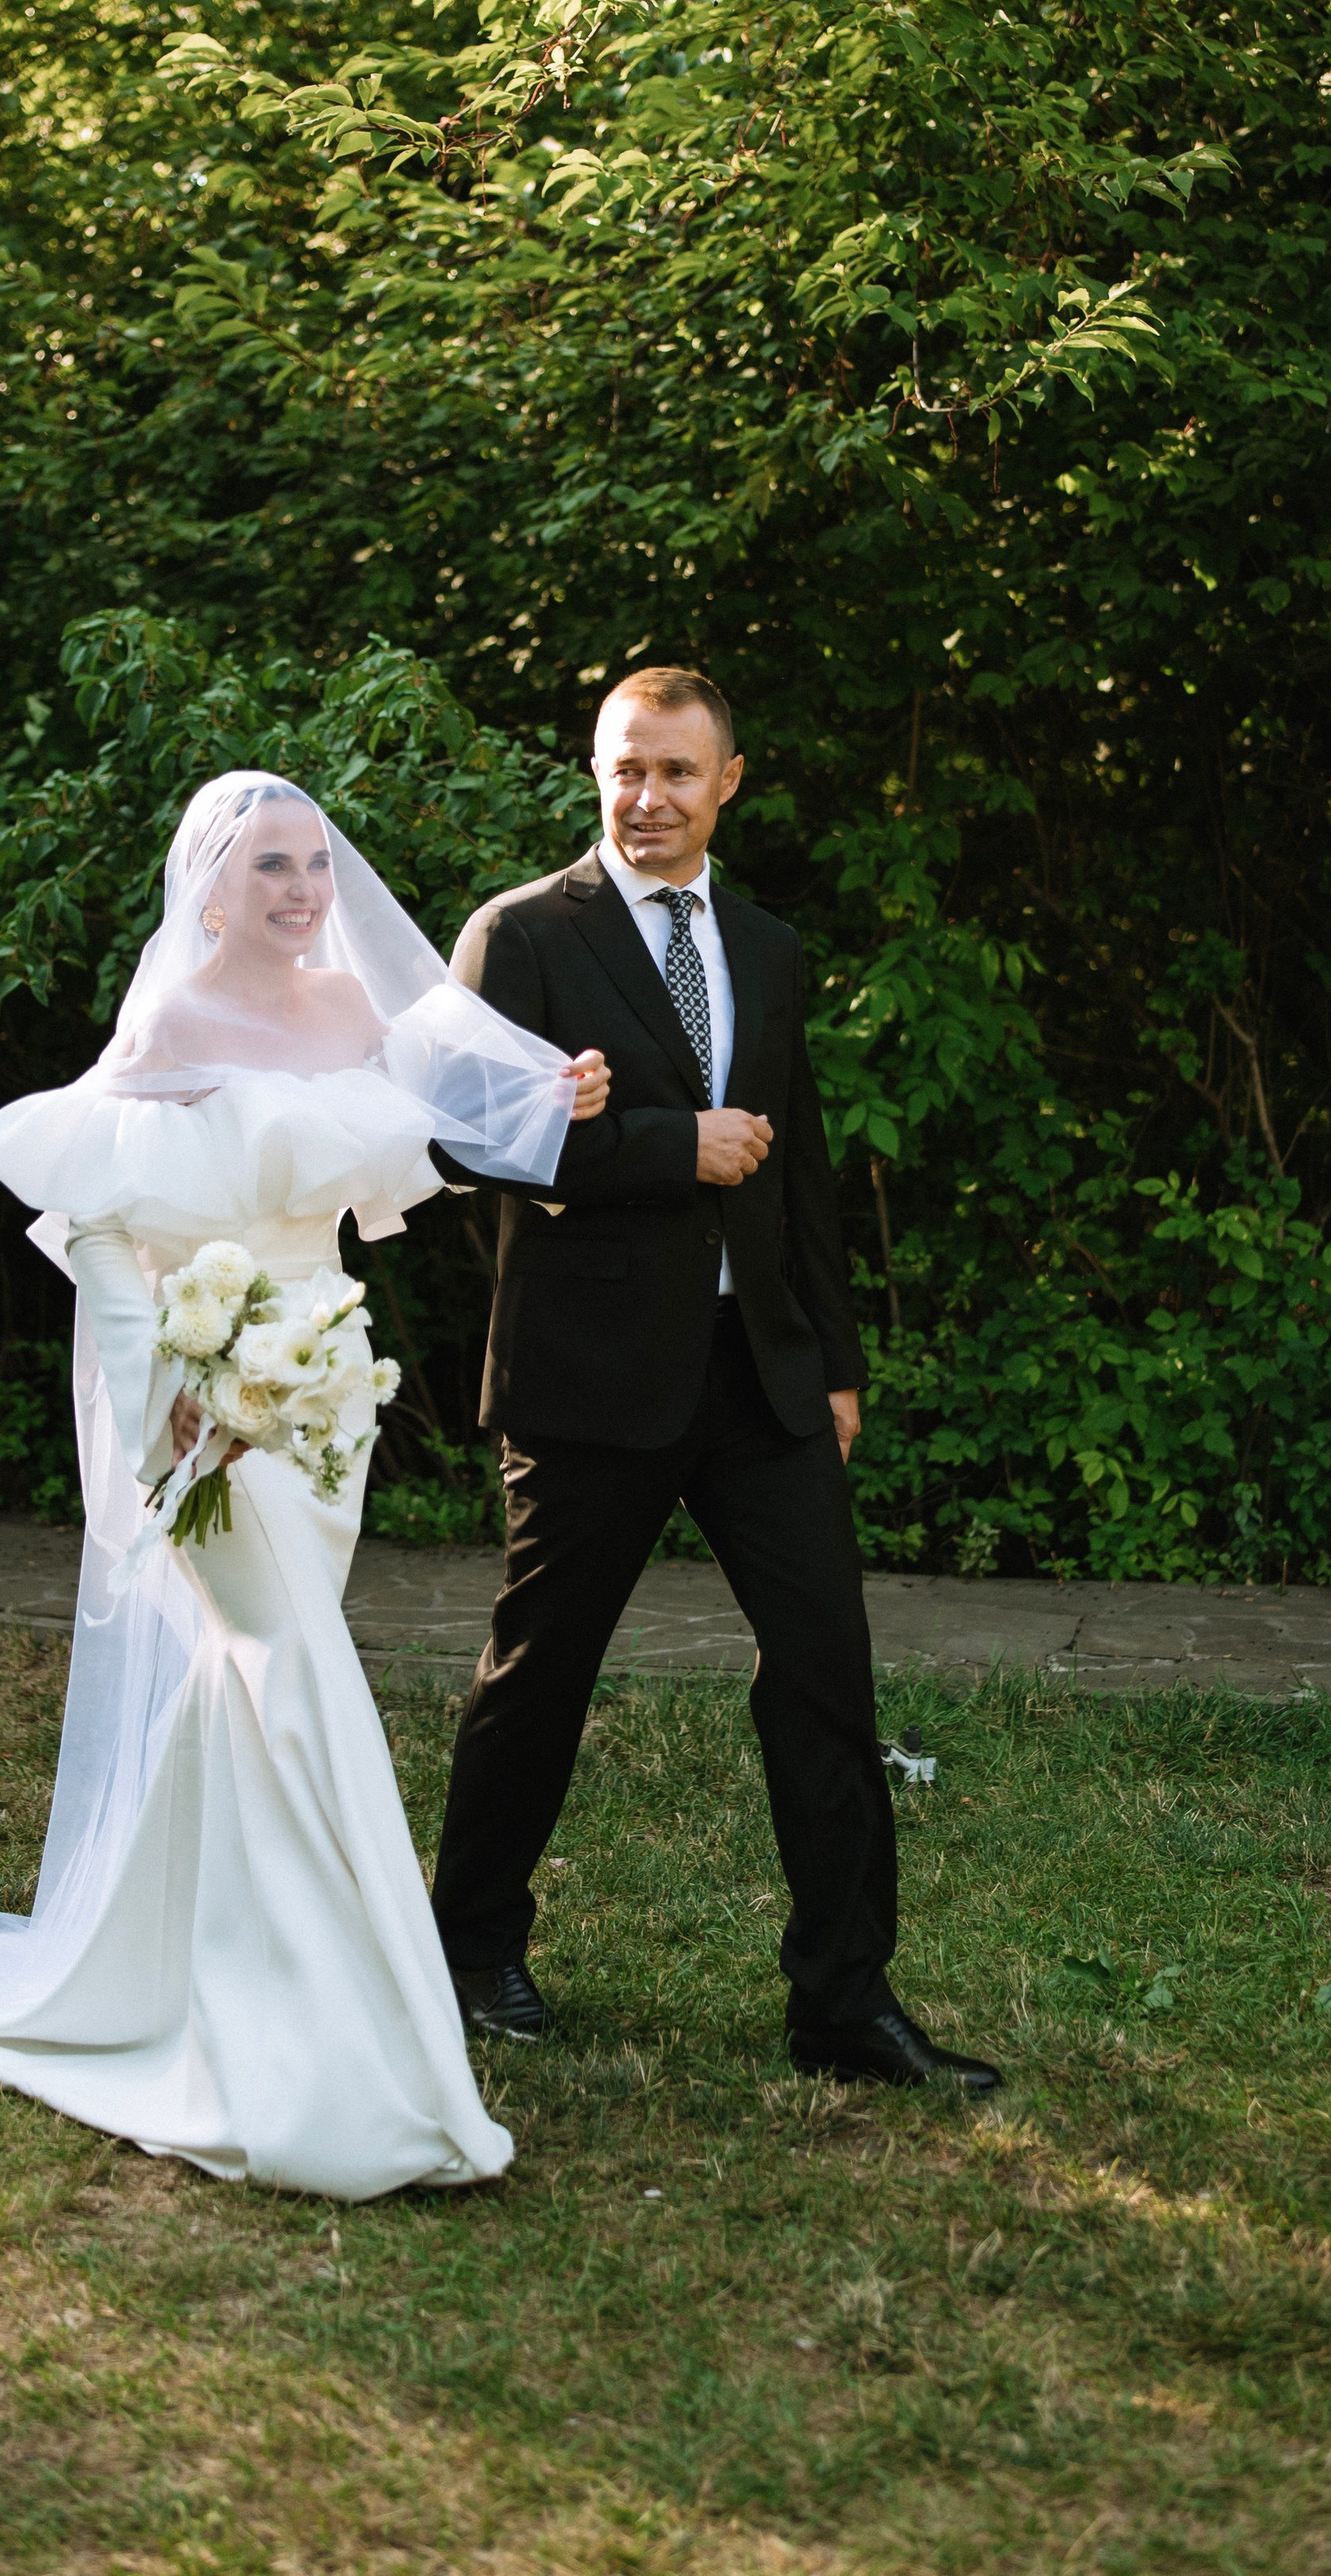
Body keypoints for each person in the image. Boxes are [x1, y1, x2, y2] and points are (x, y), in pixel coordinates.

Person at [0, 769, 610, 2200]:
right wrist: (167, 1394)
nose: (304, 890)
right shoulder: (173, 1023)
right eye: (271, 869)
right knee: (288, 1668)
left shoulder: (359, 1013)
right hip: (207, 1398)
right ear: (214, 886)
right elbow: (103, 1220)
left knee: (244, 1686)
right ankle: (350, 2040)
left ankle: (174, 1957)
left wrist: (566, 1094)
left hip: (329, 1397)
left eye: (316, 864)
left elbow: (445, 1127)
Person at [428, 668, 1003, 2092]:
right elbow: (450, 1146)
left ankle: (844, 2005)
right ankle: (468, 1947)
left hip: (762, 1378)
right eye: (626, 769)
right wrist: (659, 1147)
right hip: (588, 1377)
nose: (648, 799)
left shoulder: (768, 944)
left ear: (728, 781)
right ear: (595, 771)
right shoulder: (519, 936)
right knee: (541, 1673)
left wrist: (836, 1357)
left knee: (827, 1681)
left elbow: (794, 1165)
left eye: (678, 773)